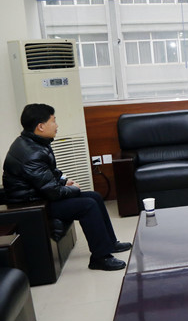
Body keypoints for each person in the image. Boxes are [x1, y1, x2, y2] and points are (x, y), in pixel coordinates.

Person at [2, 103, 131, 271]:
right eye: (53, 121)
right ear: (41, 126)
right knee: (87, 205)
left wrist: (65, 181)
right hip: (33, 204)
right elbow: (53, 193)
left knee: (95, 196)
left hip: (39, 196)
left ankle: (110, 243)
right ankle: (100, 258)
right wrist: (73, 188)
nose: (57, 125)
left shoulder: (34, 142)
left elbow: (51, 173)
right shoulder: (31, 153)